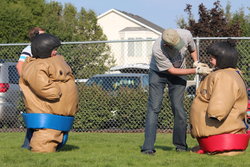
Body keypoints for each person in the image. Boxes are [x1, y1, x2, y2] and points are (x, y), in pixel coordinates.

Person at [141, 28, 212, 155]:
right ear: (166, 44)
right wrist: (196, 71)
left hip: (180, 72)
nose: (178, 47)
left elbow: (192, 48)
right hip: (158, 74)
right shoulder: (158, 48)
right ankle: (148, 148)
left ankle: (181, 146)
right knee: (154, 108)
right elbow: (172, 71)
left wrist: (196, 62)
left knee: (178, 108)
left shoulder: (185, 34)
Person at [19, 33, 79, 152]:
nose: (56, 52)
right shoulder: (36, 66)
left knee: (56, 136)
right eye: (54, 50)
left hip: (57, 112)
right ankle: (40, 155)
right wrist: (56, 91)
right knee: (45, 140)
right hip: (47, 112)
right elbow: (42, 86)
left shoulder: (52, 62)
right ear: (44, 49)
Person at [190, 40, 249, 156]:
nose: (210, 59)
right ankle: (207, 147)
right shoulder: (230, 73)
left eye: (213, 57)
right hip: (216, 136)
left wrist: (215, 113)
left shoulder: (224, 76)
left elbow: (219, 107)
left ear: (223, 58)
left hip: (222, 136)